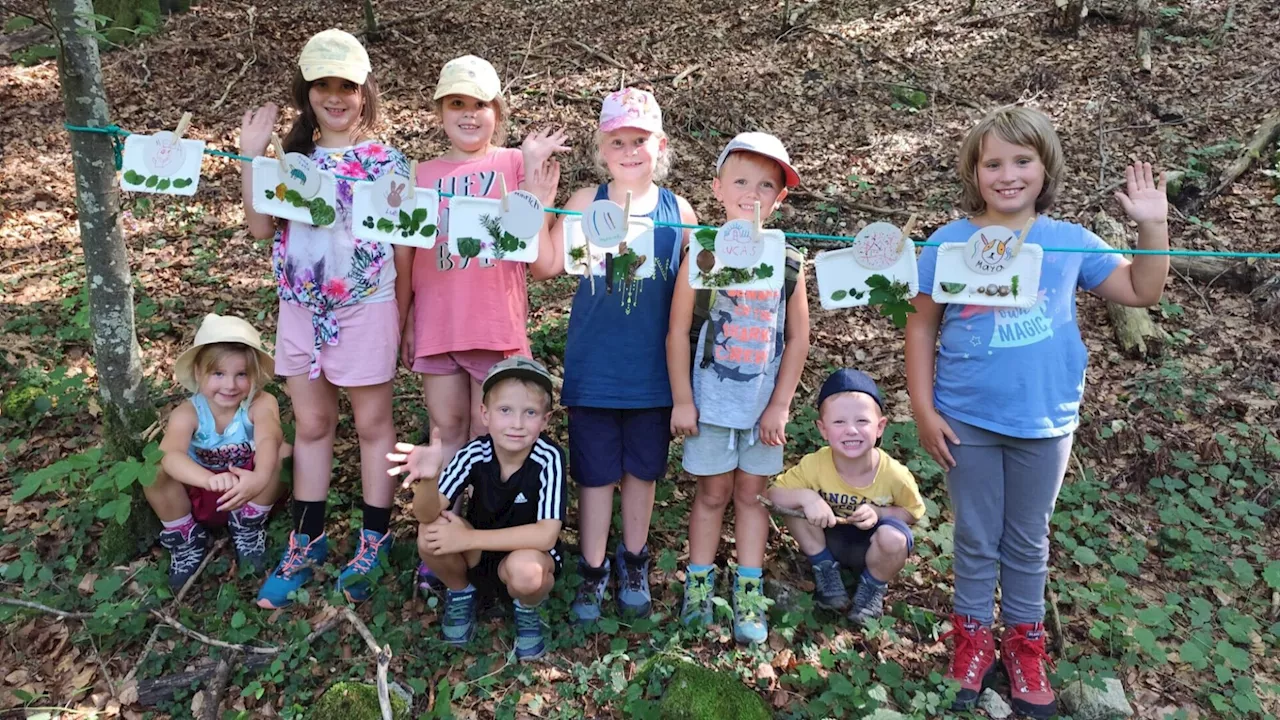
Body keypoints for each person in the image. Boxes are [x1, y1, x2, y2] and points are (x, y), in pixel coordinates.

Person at [905, 105, 1170, 718]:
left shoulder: (1070, 241)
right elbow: (919, 327)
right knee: (975, 535)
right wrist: (922, 408)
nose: (1007, 174)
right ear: (974, 172)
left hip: (1045, 420)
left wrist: (1153, 228)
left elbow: (1143, 290)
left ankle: (1025, 646)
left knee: (1027, 540)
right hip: (965, 415)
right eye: (992, 162)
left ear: (1044, 168)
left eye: (1022, 161)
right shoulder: (950, 241)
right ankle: (971, 641)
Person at [239, 29, 410, 608]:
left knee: (371, 427)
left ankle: (374, 537)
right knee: (311, 426)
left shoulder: (386, 161)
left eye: (346, 86)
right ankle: (307, 540)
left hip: (366, 305)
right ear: (306, 92)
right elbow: (262, 228)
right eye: (323, 86)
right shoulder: (293, 161)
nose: (335, 97)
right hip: (301, 310)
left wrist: (404, 319)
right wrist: (251, 157)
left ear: (364, 93)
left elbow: (405, 247)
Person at [403, 54, 567, 591]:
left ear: (497, 111)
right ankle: (446, 549)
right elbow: (408, 250)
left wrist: (540, 191)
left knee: (491, 438)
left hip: (495, 323)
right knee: (447, 434)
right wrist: (404, 319)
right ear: (440, 111)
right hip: (437, 323)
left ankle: (489, 541)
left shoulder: (514, 164)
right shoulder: (421, 174)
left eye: (479, 105)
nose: (468, 114)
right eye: (456, 104)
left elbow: (539, 257)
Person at [544, 88, 698, 623]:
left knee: (642, 472)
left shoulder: (680, 210)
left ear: (660, 144)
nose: (630, 150)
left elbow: (695, 286)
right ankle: (592, 569)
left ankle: (633, 560)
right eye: (618, 141)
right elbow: (544, 265)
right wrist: (540, 203)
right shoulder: (588, 201)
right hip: (596, 366)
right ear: (602, 148)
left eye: (640, 140)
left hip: (653, 372)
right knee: (594, 473)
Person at [666, 132, 811, 645]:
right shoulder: (702, 254)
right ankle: (700, 585)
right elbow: (678, 330)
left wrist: (781, 405)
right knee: (712, 495)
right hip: (709, 403)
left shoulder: (787, 262)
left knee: (753, 498)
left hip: (761, 412)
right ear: (718, 188)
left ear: (779, 198)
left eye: (766, 185)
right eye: (741, 181)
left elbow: (798, 339)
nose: (752, 192)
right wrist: (683, 398)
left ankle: (748, 592)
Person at [389, 357, 566, 662]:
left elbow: (547, 535)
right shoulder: (475, 453)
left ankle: (527, 608)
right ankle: (461, 592)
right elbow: (426, 514)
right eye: (505, 410)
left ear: (545, 420)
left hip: (525, 556)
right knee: (430, 532)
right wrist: (429, 480)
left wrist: (468, 540)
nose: (517, 423)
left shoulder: (549, 457)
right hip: (478, 557)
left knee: (527, 572)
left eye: (530, 413)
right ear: (485, 414)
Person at [766, 369, 925, 625]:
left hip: (873, 545)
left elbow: (913, 513)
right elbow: (772, 495)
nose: (851, 430)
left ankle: (872, 586)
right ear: (823, 429)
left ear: (880, 427)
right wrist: (808, 497)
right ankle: (826, 571)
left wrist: (880, 513)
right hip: (829, 539)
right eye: (839, 422)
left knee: (895, 538)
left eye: (862, 422)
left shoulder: (894, 473)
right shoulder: (815, 464)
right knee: (794, 506)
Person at [148, 314, 286, 589]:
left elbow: (270, 437)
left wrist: (258, 478)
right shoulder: (188, 413)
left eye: (241, 374)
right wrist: (207, 480)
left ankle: (248, 524)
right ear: (199, 374)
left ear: (254, 375)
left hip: (251, 490)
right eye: (218, 374)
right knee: (153, 470)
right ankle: (185, 535)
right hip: (204, 492)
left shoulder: (260, 402)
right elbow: (170, 453)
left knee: (283, 452)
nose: (230, 385)